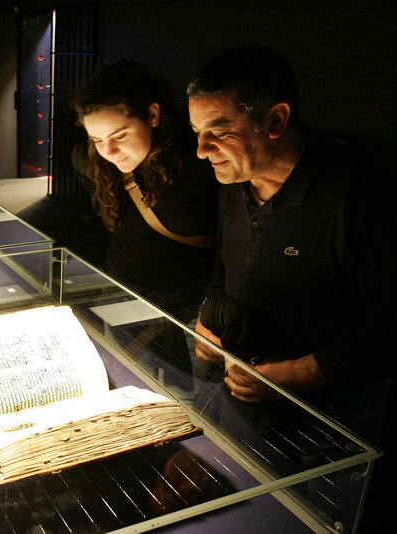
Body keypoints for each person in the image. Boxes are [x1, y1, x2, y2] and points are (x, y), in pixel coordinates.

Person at [187, 45, 395, 531]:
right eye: (197, 132)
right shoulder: (232, 180)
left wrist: (289, 377)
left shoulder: (356, 195)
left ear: (275, 120)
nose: (201, 149)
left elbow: (389, 330)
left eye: (218, 131)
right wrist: (207, 317)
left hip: (332, 423)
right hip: (247, 396)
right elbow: (225, 265)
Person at [73, 60, 218, 323]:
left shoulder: (200, 162)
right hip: (119, 290)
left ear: (152, 115)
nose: (108, 152)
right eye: (97, 139)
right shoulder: (89, 162)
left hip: (192, 306)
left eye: (119, 136)